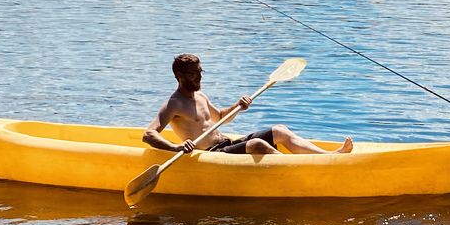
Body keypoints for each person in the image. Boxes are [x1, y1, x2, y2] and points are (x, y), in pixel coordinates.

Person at [142, 53, 353, 156]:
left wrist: (237, 106)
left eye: (200, 73)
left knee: (279, 130)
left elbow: (220, 117)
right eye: (193, 74)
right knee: (256, 145)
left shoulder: (201, 96)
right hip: (212, 155)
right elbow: (149, 134)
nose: (199, 78)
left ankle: (330, 157)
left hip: (226, 143)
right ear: (179, 76)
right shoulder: (173, 104)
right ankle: (298, 170)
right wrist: (176, 147)